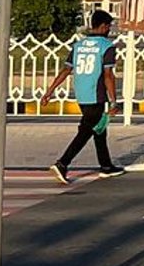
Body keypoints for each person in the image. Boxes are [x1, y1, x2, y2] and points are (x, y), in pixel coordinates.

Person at [41, 10, 125, 184]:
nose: (109, 29)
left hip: (82, 93)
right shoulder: (107, 46)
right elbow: (108, 75)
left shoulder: (78, 45)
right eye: (109, 26)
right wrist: (114, 101)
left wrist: (49, 91)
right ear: (103, 26)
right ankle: (63, 163)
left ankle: (106, 166)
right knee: (86, 131)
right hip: (96, 95)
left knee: (99, 129)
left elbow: (66, 70)